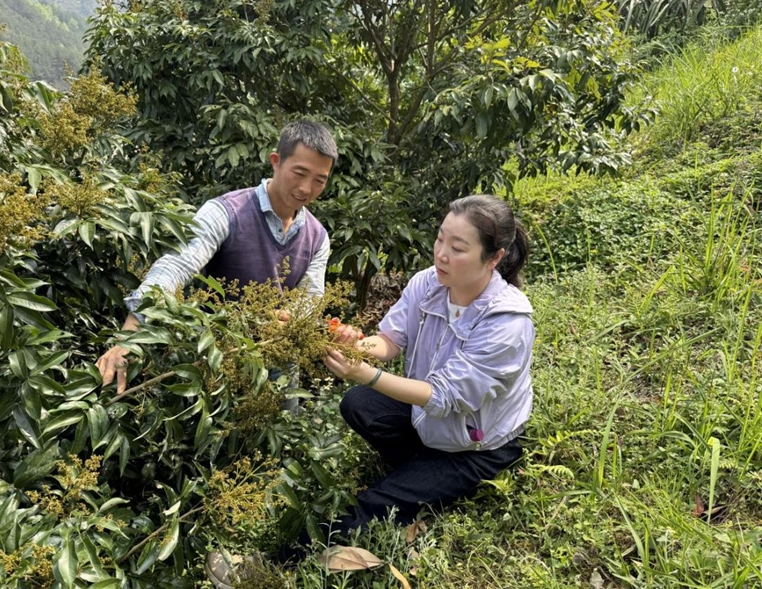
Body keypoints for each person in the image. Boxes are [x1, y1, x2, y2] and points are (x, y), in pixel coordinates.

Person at [205, 194, 534, 587]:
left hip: (476, 446)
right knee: (359, 404)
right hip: (428, 421)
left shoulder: (507, 322)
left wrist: (367, 374)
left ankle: (268, 568)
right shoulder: (429, 283)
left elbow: (443, 397)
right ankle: (422, 477)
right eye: (440, 239)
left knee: (377, 501)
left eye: (458, 248)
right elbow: (389, 341)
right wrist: (346, 344)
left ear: (493, 258)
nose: (442, 254)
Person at [96, 120, 338, 393]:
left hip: (277, 360)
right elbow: (177, 265)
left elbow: (311, 297)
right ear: (276, 161)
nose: (307, 189)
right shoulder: (226, 212)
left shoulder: (318, 237)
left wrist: (287, 318)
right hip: (214, 354)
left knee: (279, 428)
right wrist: (130, 337)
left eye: (319, 181)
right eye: (299, 173)